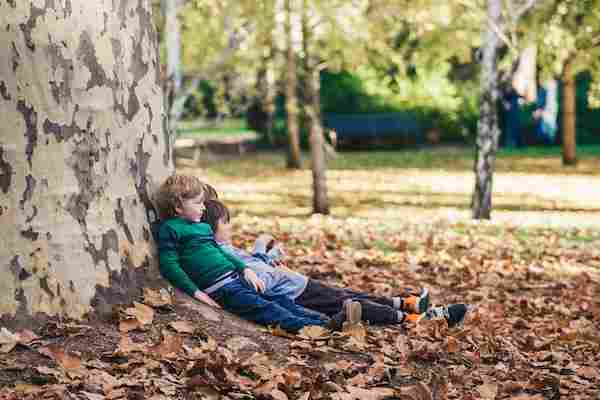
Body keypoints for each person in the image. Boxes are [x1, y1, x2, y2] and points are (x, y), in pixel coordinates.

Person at [201, 198, 469, 328]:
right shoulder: (221, 255)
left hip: (297, 284)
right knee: (352, 304)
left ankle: (406, 304)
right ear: (213, 228)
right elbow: (258, 277)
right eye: (226, 223)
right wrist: (264, 254)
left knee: (349, 295)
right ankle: (415, 319)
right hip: (296, 293)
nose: (230, 227)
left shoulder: (224, 249)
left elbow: (255, 265)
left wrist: (266, 255)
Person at [155, 174, 345, 333]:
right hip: (222, 289)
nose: (204, 208)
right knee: (267, 309)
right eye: (198, 203)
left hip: (237, 279)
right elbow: (170, 266)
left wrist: (245, 269)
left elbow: (220, 251)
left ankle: (326, 320)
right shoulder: (171, 229)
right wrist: (197, 293)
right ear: (178, 207)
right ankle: (320, 328)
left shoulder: (202, 227)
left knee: (278, 299)